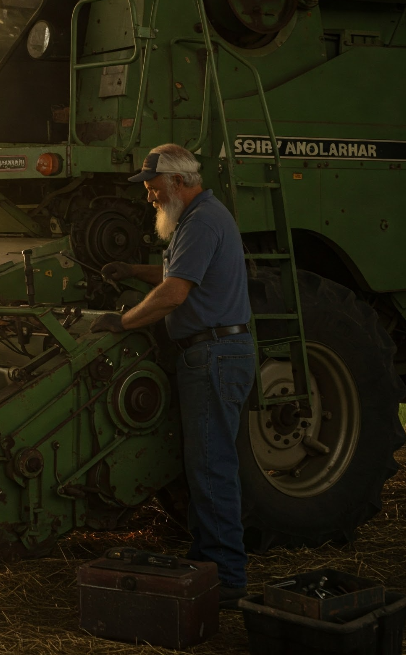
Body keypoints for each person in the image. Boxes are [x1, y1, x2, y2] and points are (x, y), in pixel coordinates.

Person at [90, 143, 254, 610]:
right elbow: (172, 273)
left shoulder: (201, 220)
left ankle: (226, 577)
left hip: (214, 355)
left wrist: (121, 322)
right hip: (215, 353)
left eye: (152, 186)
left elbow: (174, 294)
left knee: (212, 466)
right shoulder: (198, 217)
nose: (149, 197)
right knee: (205, 463)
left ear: (178, 181)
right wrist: (133, 271)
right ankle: (208, 562)